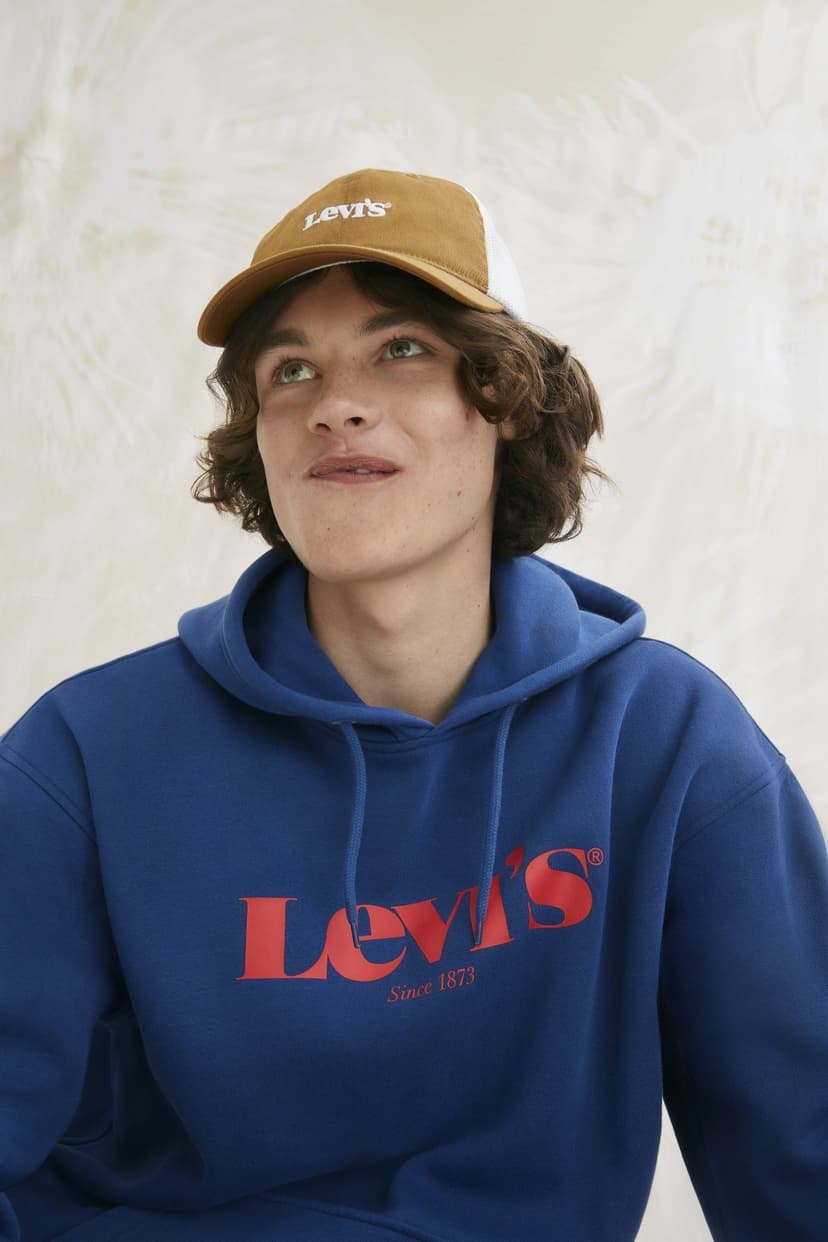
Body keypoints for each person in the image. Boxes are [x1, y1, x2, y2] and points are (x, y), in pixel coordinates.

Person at [1, 168, 826, 1242]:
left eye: (400, 349)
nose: (334, 404)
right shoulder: (83, 757)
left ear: (506, 401)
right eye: (291, 369)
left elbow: (800, 1151)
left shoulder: (665, 741)